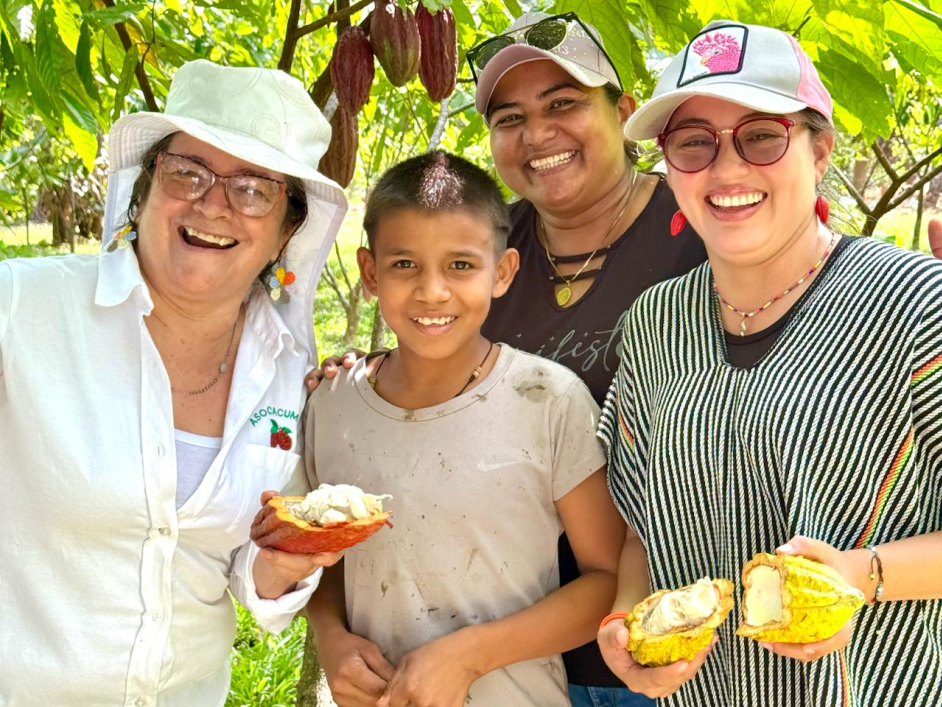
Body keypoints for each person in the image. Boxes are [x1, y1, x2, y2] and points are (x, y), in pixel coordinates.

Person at [310, 13, 706, 705]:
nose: (537, 134)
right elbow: (436, 346)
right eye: (510, 116)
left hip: (663, 642)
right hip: (512, 658)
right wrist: (361, 379)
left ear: (623, 111)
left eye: (563, 103)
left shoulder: (698, 230)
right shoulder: (490, 241)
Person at [597, 20, 942, 706]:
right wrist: (622, 620)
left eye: (762, 135)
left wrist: (863, 574)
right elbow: (644, 520)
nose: (727, 170)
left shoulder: (916, 304)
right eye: (695, 143)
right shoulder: (654, 324)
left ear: (819, 151)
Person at [0, 60, 348, 706]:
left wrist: (283, 563)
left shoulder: (287, 376)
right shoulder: (25, 309)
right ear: (147, 188)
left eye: (253, 189)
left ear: (286, 230)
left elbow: (241, 568)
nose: (213, 203)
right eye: (187, 172)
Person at [306, 151, 626, 707]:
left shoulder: (549, 400)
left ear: (501, 272)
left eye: (460, 265)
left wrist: (471, 655)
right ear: (369, 272)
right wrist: (332, 639)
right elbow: (323, 559)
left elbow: (606, 579)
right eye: (405, 264)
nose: (432, 291)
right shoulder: (331, 404)